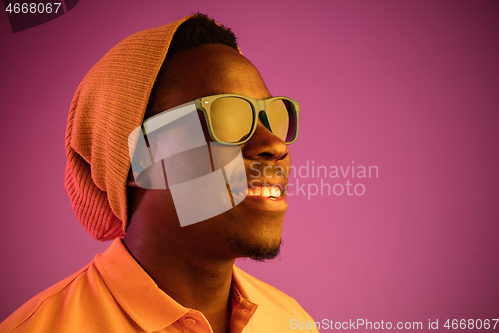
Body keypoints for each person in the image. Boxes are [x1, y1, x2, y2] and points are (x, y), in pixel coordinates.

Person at [0, 14, 318, 333]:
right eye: (227, 117)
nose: (275, 145)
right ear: (138, 159)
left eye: (270, 116)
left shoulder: (292, 322)